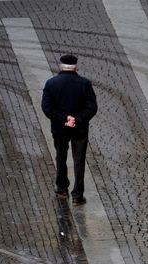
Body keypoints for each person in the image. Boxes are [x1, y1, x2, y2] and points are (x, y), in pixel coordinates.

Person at [41, 54, 97, 206]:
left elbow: (47, 108)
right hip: (79, 129)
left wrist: (64, 119)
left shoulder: (51, 83)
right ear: (76, 67)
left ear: (61, 66)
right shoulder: (84, 84)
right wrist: (76, 119)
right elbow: (92, 107)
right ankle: (78, 195)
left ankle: (62, 188)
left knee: (61, 157)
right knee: (79, 161)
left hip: (60, 128)